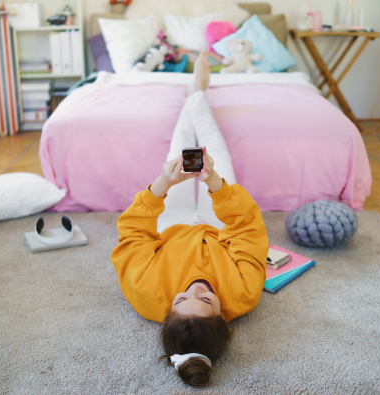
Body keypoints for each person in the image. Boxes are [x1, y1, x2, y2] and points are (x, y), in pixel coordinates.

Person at [110, 53, 269, 387]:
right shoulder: (243, 294)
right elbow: (247, 230)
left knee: (181, 147)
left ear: (168, 312)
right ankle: (198, 92)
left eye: (182, 299)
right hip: (220, 224)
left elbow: (133, 233)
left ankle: (193, 92)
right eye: (207, 299)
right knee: (213, 149)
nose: (195, 289)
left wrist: (162, 185)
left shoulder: (146, 292)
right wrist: (215, 184)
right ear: (225, 319)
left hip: (171, 223)